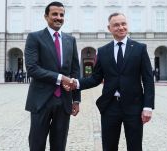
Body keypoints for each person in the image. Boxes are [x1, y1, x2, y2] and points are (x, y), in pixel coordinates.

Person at [65, 12, 155, 151]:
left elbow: (148, 80)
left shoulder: (140, 48)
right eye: (116, 25)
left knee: (135, 146)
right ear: (109, 28)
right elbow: (96, 78)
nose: (121, 27)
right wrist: (77, 83)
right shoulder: (103, 51)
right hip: (110, 106)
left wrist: (148, 107)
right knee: (109, 146)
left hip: (134, 106)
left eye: (123, 24)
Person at [24, 1, 81, 151]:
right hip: (41, 101)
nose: (58, 17)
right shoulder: (34, 38)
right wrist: (60, 78)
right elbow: (32, 68)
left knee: (59, 145)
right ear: (46, 16)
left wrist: (76, 99)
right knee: (37, 144)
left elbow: (75, 71)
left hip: (64, 101)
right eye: (54, 14)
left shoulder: (71, 40)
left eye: (61, 15)